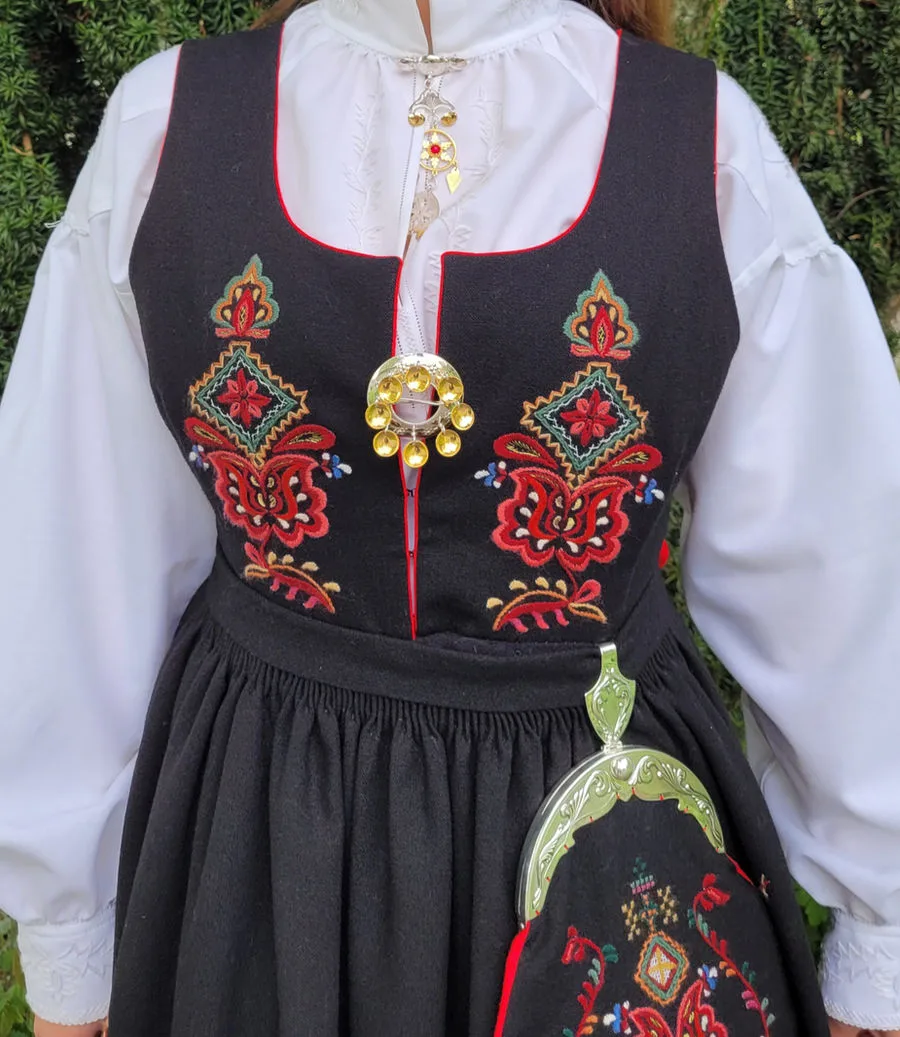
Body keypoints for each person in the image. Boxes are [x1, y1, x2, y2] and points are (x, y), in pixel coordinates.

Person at [1, 0, 898, 1034]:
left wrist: (883, 934)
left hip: (602, 819)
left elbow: (832, 555)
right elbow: (82, 542)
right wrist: (66, 923)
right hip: (261, 822)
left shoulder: (708, 146)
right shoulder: (164, 126)